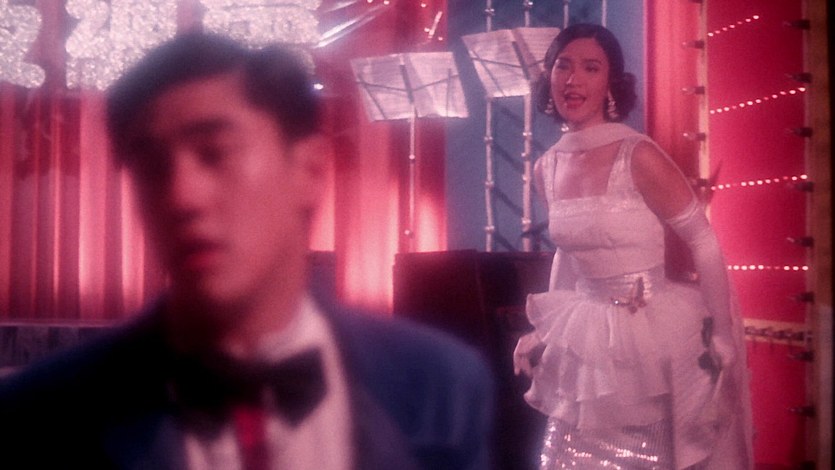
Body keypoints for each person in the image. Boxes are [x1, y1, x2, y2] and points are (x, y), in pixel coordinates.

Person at [0, 32, 493, 469]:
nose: (181, 196)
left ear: (309, 171)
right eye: (151, 167)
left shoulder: (442, 387)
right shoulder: (40, 414)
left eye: (216, 153)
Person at [512, 24, 752, 469]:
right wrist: (546, 330)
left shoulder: (637, 155)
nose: (573, 80)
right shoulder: (547, 167)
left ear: (610, 83)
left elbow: (702, 240)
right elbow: (569, 253)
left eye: (590, 68)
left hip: (651, 340)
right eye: (563, 66)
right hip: (588, 344)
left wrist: (721, 333)